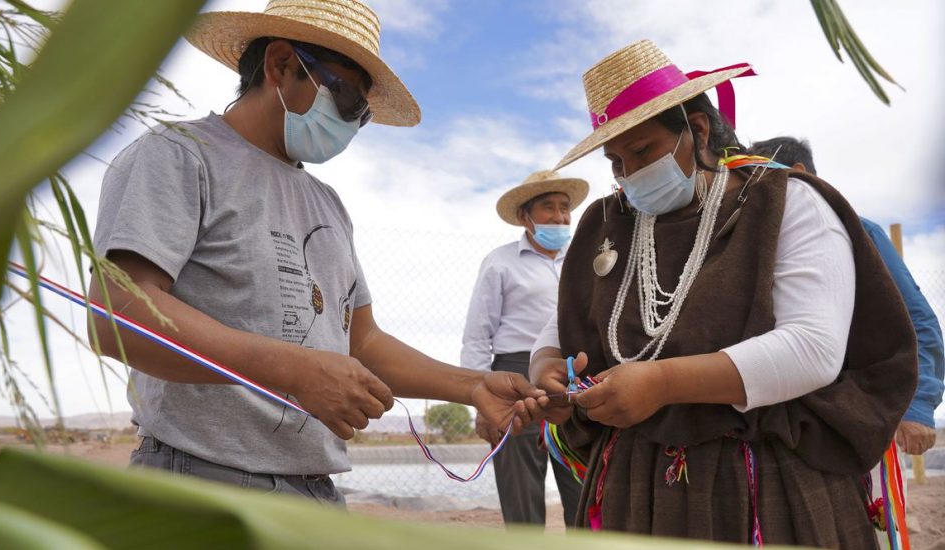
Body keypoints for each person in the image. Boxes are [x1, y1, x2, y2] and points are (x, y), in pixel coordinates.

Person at [87, 0, 542, 505]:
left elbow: (361, 342)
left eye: (363, 115)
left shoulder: (327, 204)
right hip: (200, 484)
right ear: (281, 64)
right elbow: (118, 313)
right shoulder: (179, 156)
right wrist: (293, 369)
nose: (353, 122)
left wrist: (473, 385)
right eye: (348, 100)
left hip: (313, 492)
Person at [524, 40, 917, 548]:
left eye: (642, 151)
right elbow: (559, 327)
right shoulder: (607, 225)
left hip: (764, 479)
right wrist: (546, 365)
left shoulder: (786, 203)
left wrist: (663, 383)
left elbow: (814, 348)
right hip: (633, 489)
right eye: (616, 162)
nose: (629, 175)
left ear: (698, 130)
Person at [750, 136, 944, 547]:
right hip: (805, 428)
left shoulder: (859, 233)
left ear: (798, 176)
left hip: (861, 420)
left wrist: (919, 404)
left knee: (870, 525)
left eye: (763, 180)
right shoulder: (766, 246)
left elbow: (918, 321)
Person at [462, 170, 588, 527]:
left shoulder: (583, 259)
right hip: (514, 377)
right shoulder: (500, 262)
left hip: (572, 379)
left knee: (583, 483)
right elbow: (477, 335)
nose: (560, 216)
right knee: (520, 488)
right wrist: (479, 399)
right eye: (548, 207)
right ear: (524, 216)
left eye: (564, 207)